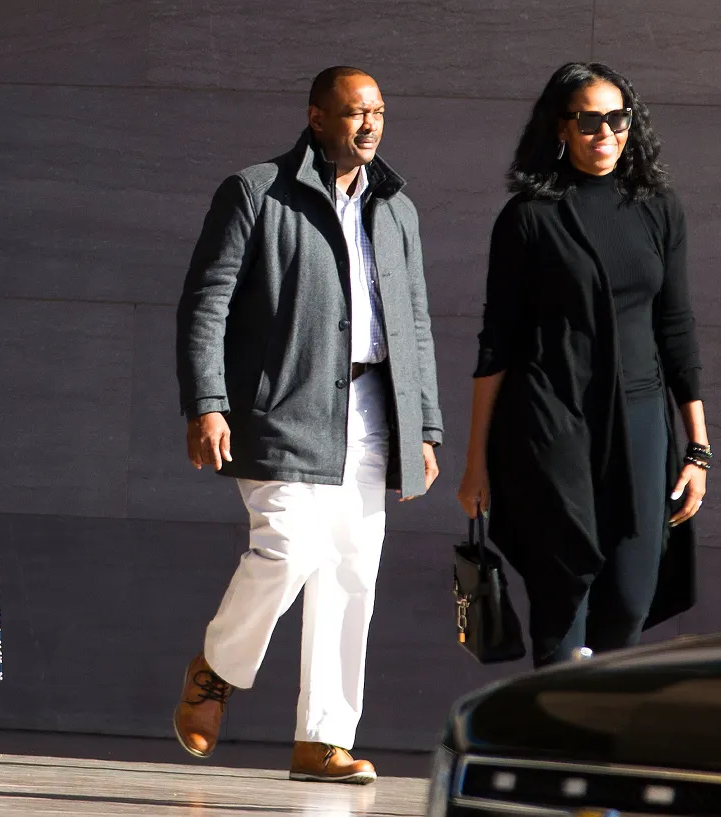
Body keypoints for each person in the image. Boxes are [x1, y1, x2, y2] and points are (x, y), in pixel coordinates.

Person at [174, 66, 443, 783]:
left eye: (379, 111)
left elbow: (413, 322)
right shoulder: (257, 191)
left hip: (371, 410)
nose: (370, 124)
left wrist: (425, 427)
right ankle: (217, 668)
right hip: (281, 406)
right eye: (355, 112)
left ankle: (323, 738)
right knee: (289, 549)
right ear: (317, 116)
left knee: (352, 572)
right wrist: (207, 400)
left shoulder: (396, 207)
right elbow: (207, 303)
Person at [457, 62, 707, 668]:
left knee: (629, 595)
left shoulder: (658, 209)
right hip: (551, 420)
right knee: (562, 588)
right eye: (588, 120)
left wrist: (697, 448)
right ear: (560, 128)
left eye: (617, 119)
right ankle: (556, 743)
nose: (605, 133)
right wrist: (476, 460)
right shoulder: (527, 217)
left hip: (642, 421)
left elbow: (675, 327)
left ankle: (597, 733)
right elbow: (498, 342)